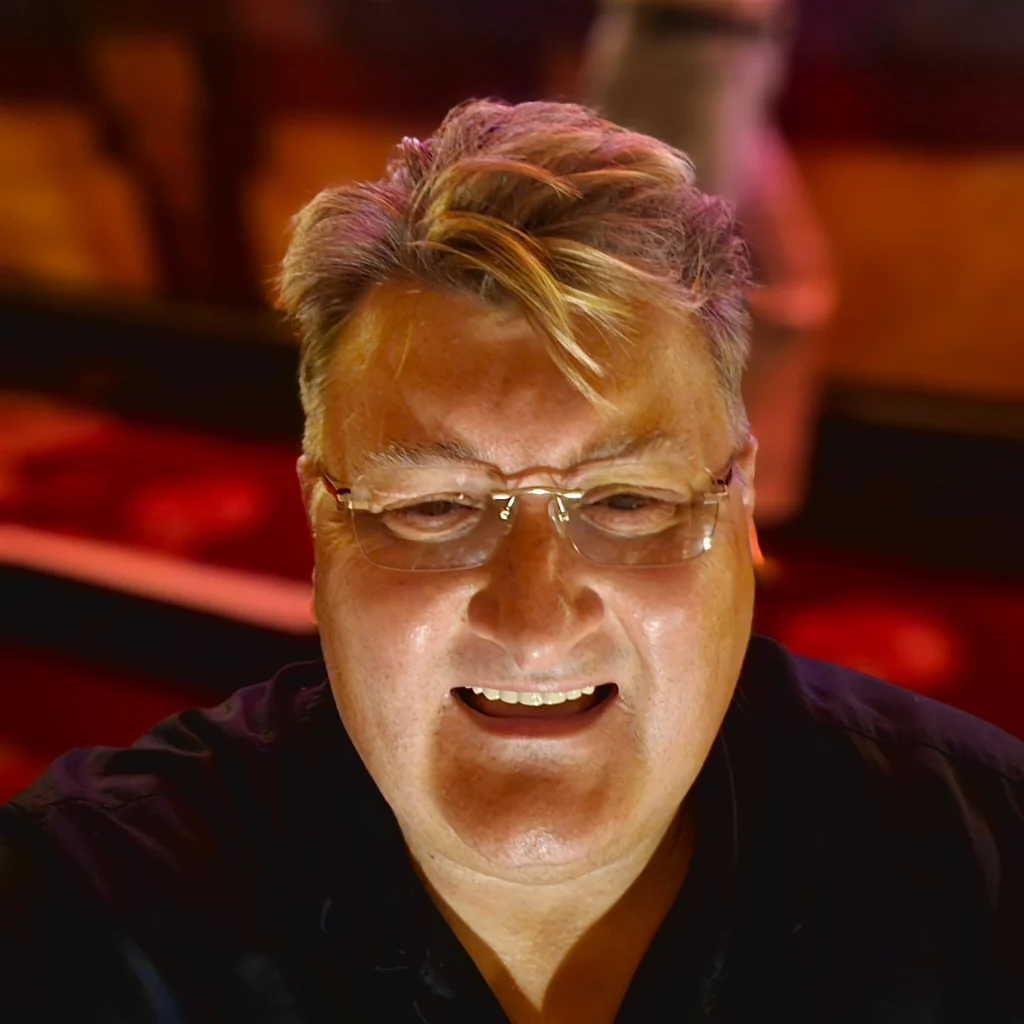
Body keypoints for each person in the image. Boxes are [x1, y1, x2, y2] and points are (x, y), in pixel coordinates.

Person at [1, 99, 1021, 1023]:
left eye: (627, 501)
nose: (534, 622)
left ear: (740, 502)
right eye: (435, 508)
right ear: (320, 524)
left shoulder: (986, 873)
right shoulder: (77, 916)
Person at [582, 0, 837, 524]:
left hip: (729, 53)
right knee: (678, 290)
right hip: (687, 54)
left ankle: (728, 504)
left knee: (790, 295)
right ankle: (671, 506)